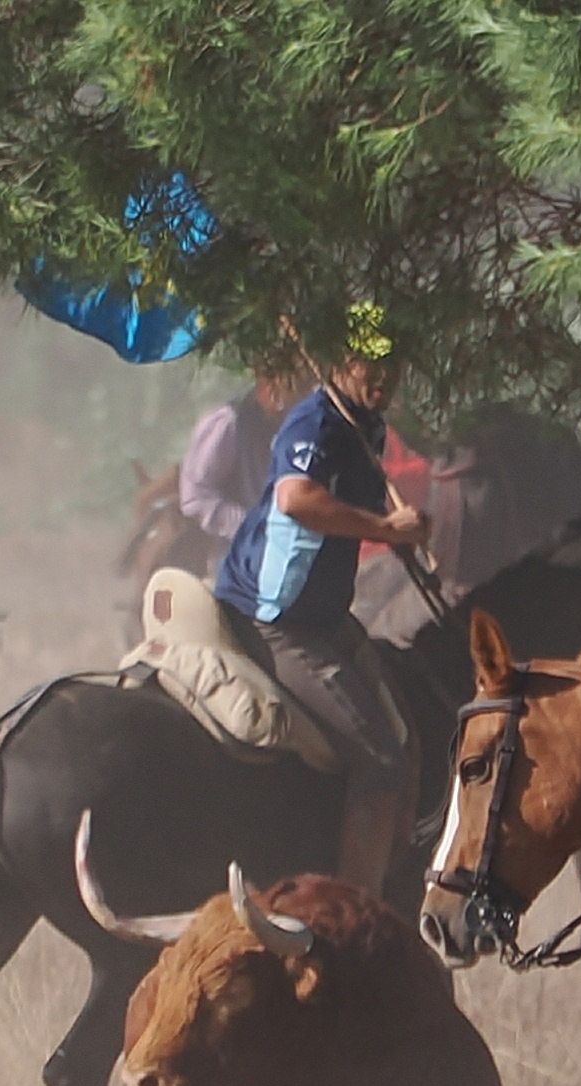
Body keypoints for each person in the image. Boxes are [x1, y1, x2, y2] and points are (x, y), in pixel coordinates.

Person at [210, 309, 435, 890]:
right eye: (369, 362)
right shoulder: (317, 423)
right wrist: (386, 530)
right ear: (340, 362)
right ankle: (355, 910)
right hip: (278, 618)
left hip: (327, 615)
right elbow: (295, 499)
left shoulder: (365, 424)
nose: (382, 375)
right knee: (380, 760)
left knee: (405, 727)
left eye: (392, 364)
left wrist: (396, 528)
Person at [176, 369, 308, 549]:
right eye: (296, 387)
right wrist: (251, 528)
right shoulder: (229, 423)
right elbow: (196, 497)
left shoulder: (306, 427)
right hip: (241, 558)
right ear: (268, 389)